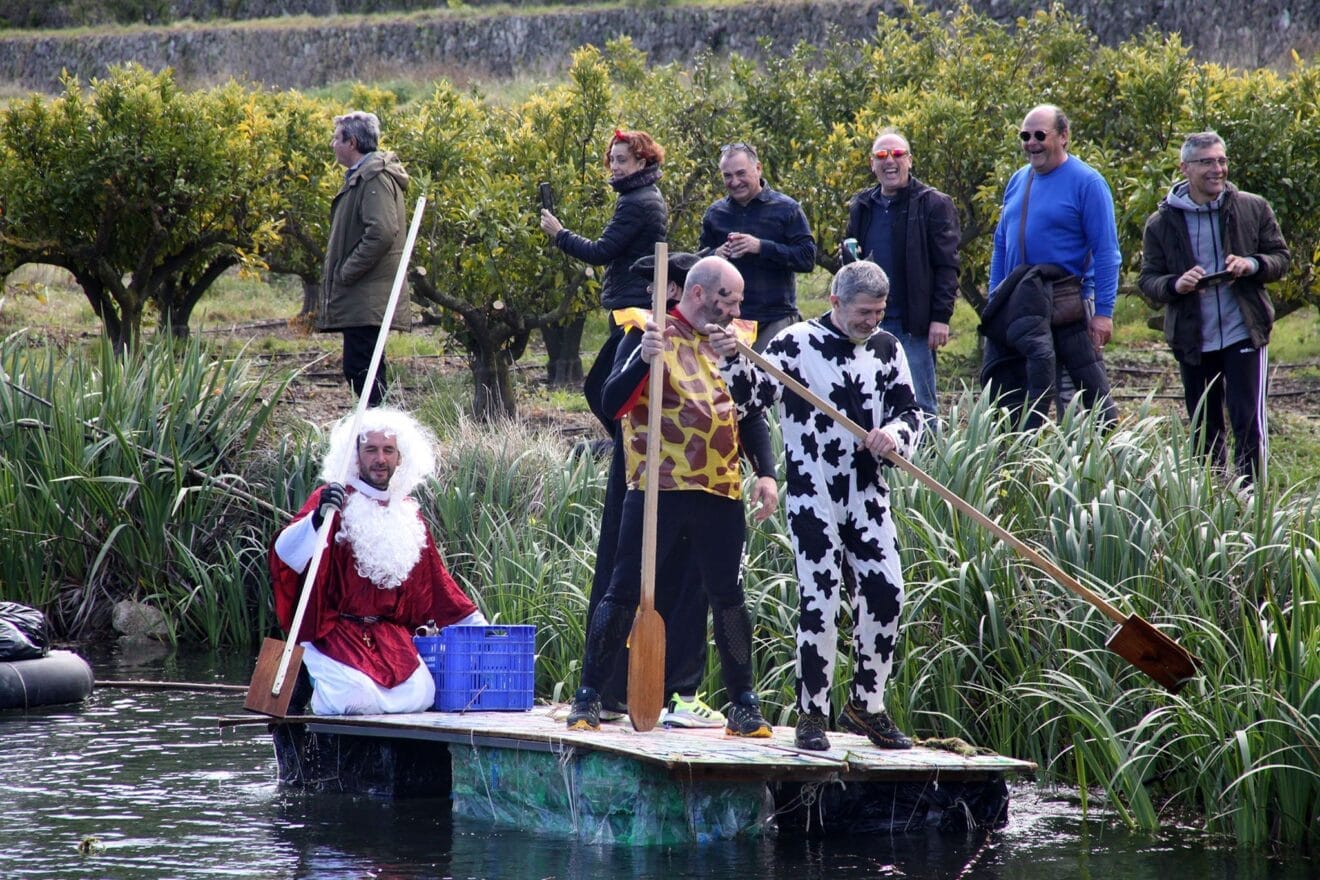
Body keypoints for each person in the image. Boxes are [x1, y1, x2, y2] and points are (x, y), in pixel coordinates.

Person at [712, 260, 924, 751]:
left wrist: (892, 435)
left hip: (868, 493)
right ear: (835, 302)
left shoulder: (888, 349)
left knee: (886, 594)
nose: (872, 321)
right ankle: (812, 711)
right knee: (821, 600)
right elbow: (748, 403)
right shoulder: (793, 345)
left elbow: (910, 411)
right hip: (814, 495)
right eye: (864, 312)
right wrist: (732, 361)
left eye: (879, 311)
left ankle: (866, 706)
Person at [566, 256, 779, 737]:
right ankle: (589, 696)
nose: (736, 309)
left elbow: (750, 414)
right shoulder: (647, 331)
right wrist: (643, 359)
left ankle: (743, 703)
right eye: (730, 299)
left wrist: (765, 473)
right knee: (623, 591)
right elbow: (611, 403)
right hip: (658, 487)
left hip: (719, 487)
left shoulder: (734, 343)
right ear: (700, 293)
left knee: (727, 596)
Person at [582, 249, 728, 729]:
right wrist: (633, 436)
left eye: (657, 285)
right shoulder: (638, 332)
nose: (649, 293)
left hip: (702, 481)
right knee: (623, 583)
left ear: (682, 290)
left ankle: (679, 694)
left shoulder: (715, 342)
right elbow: (601, 392)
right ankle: (604, 691)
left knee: (690, 584)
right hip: (642, 478)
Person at [270, 407, 485, 715]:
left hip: (389, 637)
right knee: (357, 701)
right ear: (356, 455)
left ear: (400, 457)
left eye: (388, 450)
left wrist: (482, 628)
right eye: (370, 450)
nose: (380, 459)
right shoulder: (331, 500)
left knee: (422, 695)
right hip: (334, 632)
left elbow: (438, 585)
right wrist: (316, 520)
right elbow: (285, 554)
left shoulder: (408, 513)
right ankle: (309, 683)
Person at [1138, 131, 1290, 487]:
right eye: (1207, 161)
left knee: (1247, 422)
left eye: (1221, 160)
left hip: (1243, 330)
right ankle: (1214, 500)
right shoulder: (1161, 223)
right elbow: (1149, 280)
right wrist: (1176, 284)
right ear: (1185, 168)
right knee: (1204, 428)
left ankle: (1253, 502)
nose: (1217, 169)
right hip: (1194, 338)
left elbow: (1280, 258)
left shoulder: (1252, 207)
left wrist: (1251, 265)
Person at [986, 104, 1119, 424]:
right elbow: (1001, 244)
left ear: (1063, 137)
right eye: (1025, 135)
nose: (1031, 142)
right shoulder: (1018, 180)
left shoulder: (1088, 183)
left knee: (1076, 399)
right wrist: (996, 298)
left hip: (1068, 304)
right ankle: (1021, 466)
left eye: (1040, 135)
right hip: (1020, 303)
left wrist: (1103, 313)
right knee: (1018, 397)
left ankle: (1082, 468)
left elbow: (1106, 252)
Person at [843, 129, 961, 421]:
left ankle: (930, 464)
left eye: (897, 154)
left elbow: (947, 266)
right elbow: (850, 262)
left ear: (909, 160)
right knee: (871, 400)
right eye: (881, 155)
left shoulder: (933, 203)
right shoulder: (862, 206)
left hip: (913, 324)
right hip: (870, 321)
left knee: (920, 404)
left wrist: (940, 318)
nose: (889, 161)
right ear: (872, 164)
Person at [319, 110, 411, 407]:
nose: (333, 144)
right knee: (365, 368)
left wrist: (348, 271)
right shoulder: (363, 176)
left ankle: (378, 435)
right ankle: (375, 433)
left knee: (362, 370)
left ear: (353, 142)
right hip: (364, 294)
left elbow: (382, 232)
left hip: (366, 293)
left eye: (336, 138)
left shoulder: (374, 177)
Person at [700, 142, 817, 351]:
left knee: (773, 382)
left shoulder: (786, 209)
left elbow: (807, 258)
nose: (735, 182)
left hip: (774, 320)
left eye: (741, 173)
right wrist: (714, 255)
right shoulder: (715, 213)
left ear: (758, 168)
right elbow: (698, 263)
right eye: (727, 176)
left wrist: (762, 247)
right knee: (726, 381)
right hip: (728, 322)